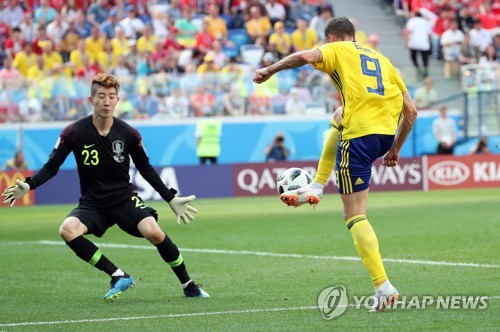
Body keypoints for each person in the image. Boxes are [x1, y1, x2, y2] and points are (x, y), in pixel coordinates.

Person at [253, 17, 417, 311]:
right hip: (383, 136)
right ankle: (316, 185)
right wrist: (394, 150)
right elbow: (412, 110)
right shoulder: (382, 58)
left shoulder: (338, 49)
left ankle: (384, 287)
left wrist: (270, 69)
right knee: (339, 114)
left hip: (359, 139)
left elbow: (304, 56)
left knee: (354, 217)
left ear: (331, 39)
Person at [1, 73, 209, 301]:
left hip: (123, 198)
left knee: (154, 232)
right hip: (92, 203)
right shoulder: (73, 132)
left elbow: (146, 168)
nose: (107, 101)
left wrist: (169, 198)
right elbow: (52, 167)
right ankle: (118, 275)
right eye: (101, 96)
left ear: (118, 100)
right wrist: (29, 185)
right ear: (91, 101)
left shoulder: (129, 133)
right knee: (67, 230)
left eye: (112, 96)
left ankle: (188, 284)